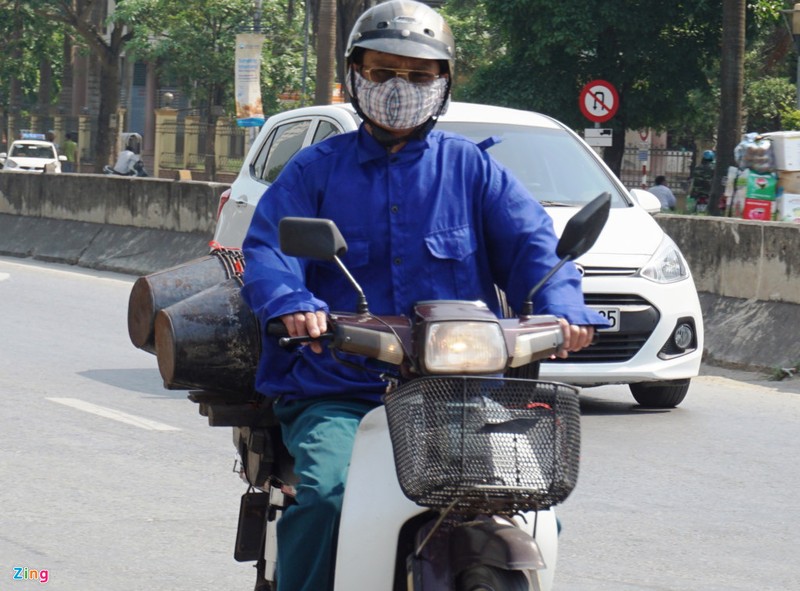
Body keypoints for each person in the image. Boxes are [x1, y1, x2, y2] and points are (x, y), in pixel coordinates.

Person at [240, 2, 608, 589]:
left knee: (538, 514)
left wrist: (562, 308)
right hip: (340, 390)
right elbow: (268, 252)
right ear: (355, 76)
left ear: (443, 86)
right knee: (327, 499)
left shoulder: (474, 171)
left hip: (458, 394)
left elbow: (534, 248)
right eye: (383, 71)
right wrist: (292, 304)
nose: (398, 88)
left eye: (417, 76)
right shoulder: (314, 170)